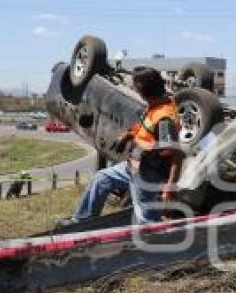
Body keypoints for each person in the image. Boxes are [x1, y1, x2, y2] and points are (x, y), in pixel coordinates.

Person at [66, 67, 184, 225]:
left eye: (135, 87)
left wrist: (170, 187)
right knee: (101, 179)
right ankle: (81, 221)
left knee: (146, 220)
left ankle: (153, 240)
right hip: (133, 166)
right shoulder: (156, 104)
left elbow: (176, 155)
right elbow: (146, 129)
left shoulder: (164, 119)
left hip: (147, 175)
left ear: (143, 92)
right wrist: (129, 135)